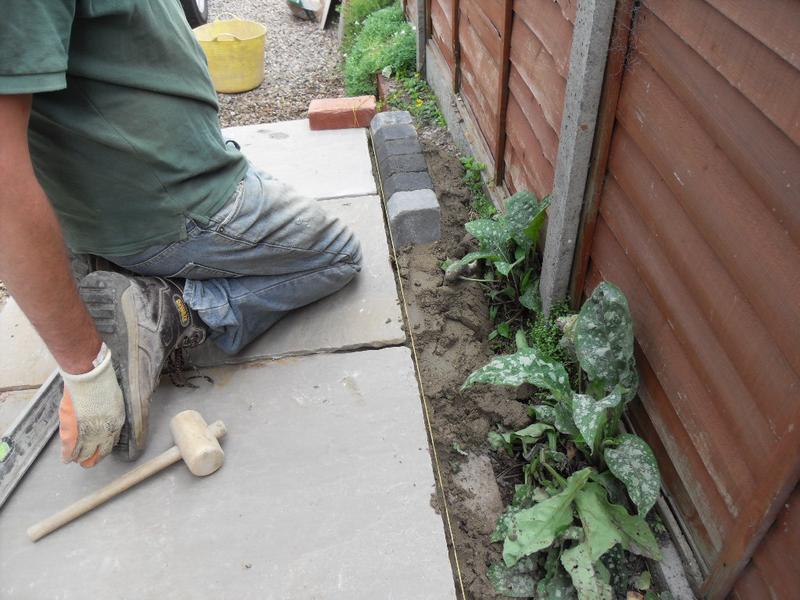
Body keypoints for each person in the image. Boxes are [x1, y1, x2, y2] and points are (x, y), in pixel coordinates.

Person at [0, 1, 362, 467]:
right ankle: (169, 310)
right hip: (176, 204)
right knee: (337, 255)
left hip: (148, 189)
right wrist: (85, 371)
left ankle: (114, 270)